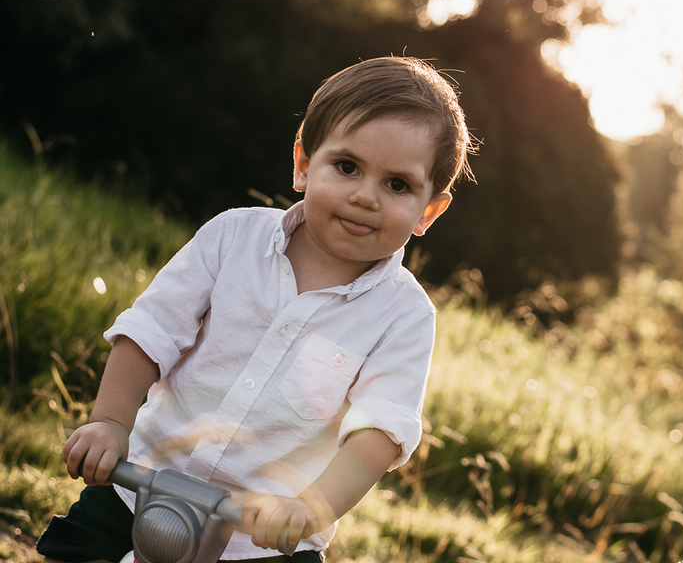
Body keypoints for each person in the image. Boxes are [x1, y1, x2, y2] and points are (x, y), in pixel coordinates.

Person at [37, 57, 473, 562]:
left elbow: (379, 431)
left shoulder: (404, 316)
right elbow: (151, 331)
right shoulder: (232, 237)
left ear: (428, 210)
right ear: (304, 164)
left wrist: (312, 506)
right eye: (347, 167)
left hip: (266, 540)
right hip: (136, 492)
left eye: (397, 185)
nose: (364, 196)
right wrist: (111, 421)